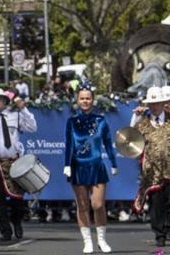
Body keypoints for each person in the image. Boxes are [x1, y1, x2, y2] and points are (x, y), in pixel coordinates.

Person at [64, 84, 118, 253]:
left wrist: (114, 163)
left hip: (96, 166)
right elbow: (69, 145)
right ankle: (87, 241)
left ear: (93, 100)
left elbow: (108, 143)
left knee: (98, 204)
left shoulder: (101, 121)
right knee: (82, 205)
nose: (85, 101)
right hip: (78, 166)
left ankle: (101, 239)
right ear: (78, 100)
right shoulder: (72, 121)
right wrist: (66, 165)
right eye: (82, 98)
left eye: (88, 98)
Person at [0, 87, 37, 241]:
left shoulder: (15, 116)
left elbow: (32, 127)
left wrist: (24, 109)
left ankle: (17, 221)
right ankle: (5, 231)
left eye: (1, 98)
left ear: (6, 101)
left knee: (17, 199)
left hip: (14, 162)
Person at [135, 86, 170, 246]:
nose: (154, 106)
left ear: (164, 103)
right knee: (157, 203)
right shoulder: (143, 123)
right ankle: (159, 234)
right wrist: (135, 117)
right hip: (152, 171)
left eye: (157, 103)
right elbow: (131, 140)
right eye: (152, 103)